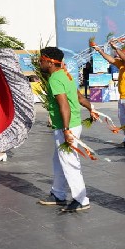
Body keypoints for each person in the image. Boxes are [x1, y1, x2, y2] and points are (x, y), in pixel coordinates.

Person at [36, 47, 91, 213]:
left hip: (67, 126)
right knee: (58, 160)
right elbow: (79, 97)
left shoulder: (55, 79)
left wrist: (66, 130)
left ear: (50, 62)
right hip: (71, 124)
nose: (40, 63)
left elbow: (64, 105)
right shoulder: (65, 75)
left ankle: (81, 199)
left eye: (42, 60)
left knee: (69, 162)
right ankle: (58, 194)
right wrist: (92, 108)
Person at [91, 41, 125, 150]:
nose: (120, 55)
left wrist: (116, 48)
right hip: (123, 97)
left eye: (124, 54)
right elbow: (110, 59)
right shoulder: (122, 65)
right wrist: (99, 50)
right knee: (123, 119)